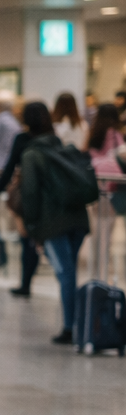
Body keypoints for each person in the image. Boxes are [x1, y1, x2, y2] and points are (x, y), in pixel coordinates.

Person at [19, 101, 92, 344]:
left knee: (66, 273)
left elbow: (29, 194)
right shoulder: (62, 148)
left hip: (52, 223)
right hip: (77, 218)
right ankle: (77, 322)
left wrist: (31, 227)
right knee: (69, 271)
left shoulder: (31, 154)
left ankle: (71, 327)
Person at [0, 112, 41, 297]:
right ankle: (27, 281)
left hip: (26, 193)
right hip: (45, 195)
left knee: (26, 238)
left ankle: (25, 282)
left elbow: (10, 165)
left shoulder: (22, 139)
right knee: (35, 240)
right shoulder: (51, 139)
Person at [88, 104, 125, 283]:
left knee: (97, 230)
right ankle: (102, 271)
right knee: (106, 231)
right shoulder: (115, 135)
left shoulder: (93, 133)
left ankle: (95, 268)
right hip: (110, 187)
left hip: (94, 184)